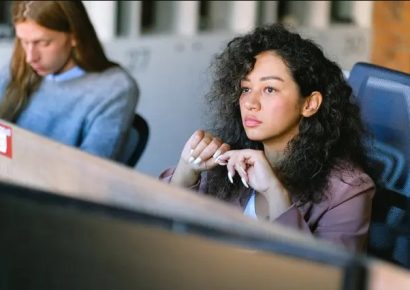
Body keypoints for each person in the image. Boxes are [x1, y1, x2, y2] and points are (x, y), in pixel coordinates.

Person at [160, 24, 375, 252]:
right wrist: (185, 174)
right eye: (245, 89)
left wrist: (275, 192)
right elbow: (158, 239)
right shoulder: (225, 160)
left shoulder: (347, 191)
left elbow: (328, 279)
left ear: (310, 104)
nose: (250, 103)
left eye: (269, 89)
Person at [0, 1, 139, 163]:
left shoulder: (114, 88)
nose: (31, 57)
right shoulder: (17, 67)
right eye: (24, 42)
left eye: (44, 43)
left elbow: (92, 172)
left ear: (74, 37)